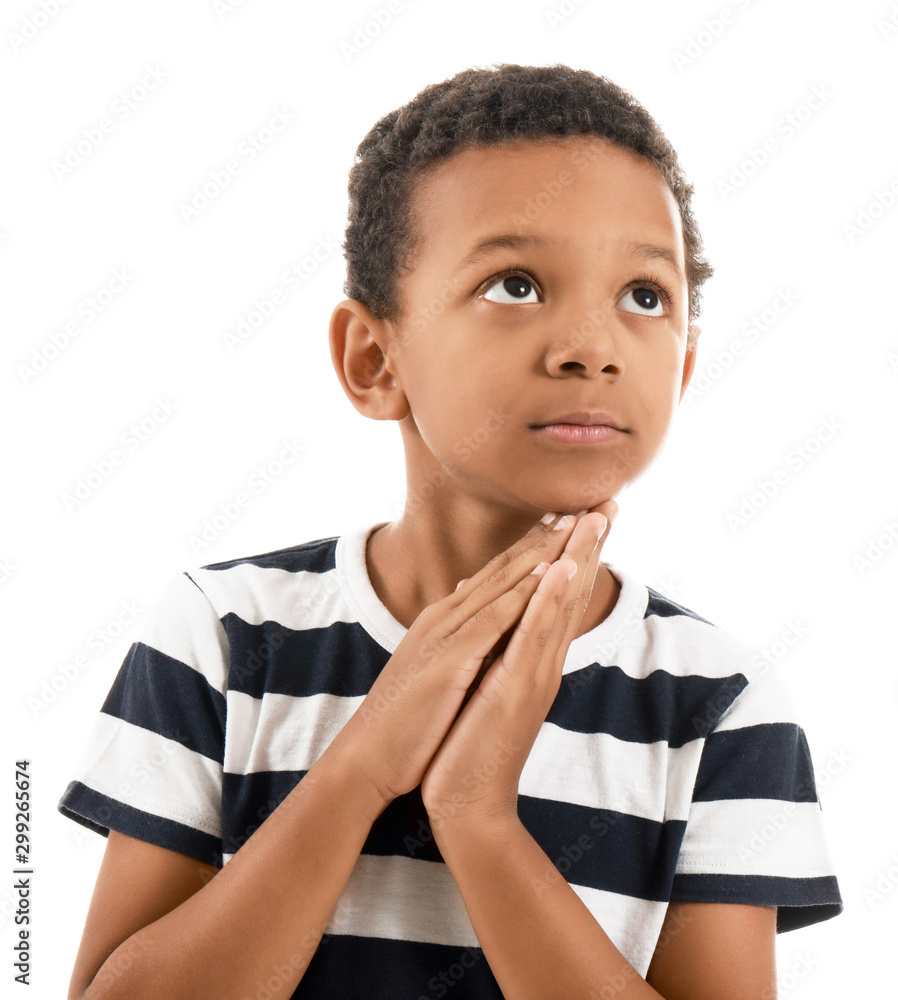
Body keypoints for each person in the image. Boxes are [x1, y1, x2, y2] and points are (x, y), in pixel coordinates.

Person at [58, 63, 843, 1000]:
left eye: (644, 295)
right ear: (373, 359)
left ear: (682, 370)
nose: (591, 345)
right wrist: (361, 767)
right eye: (516, 284)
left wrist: (479, 817)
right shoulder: (225, 637)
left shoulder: (718, 705)